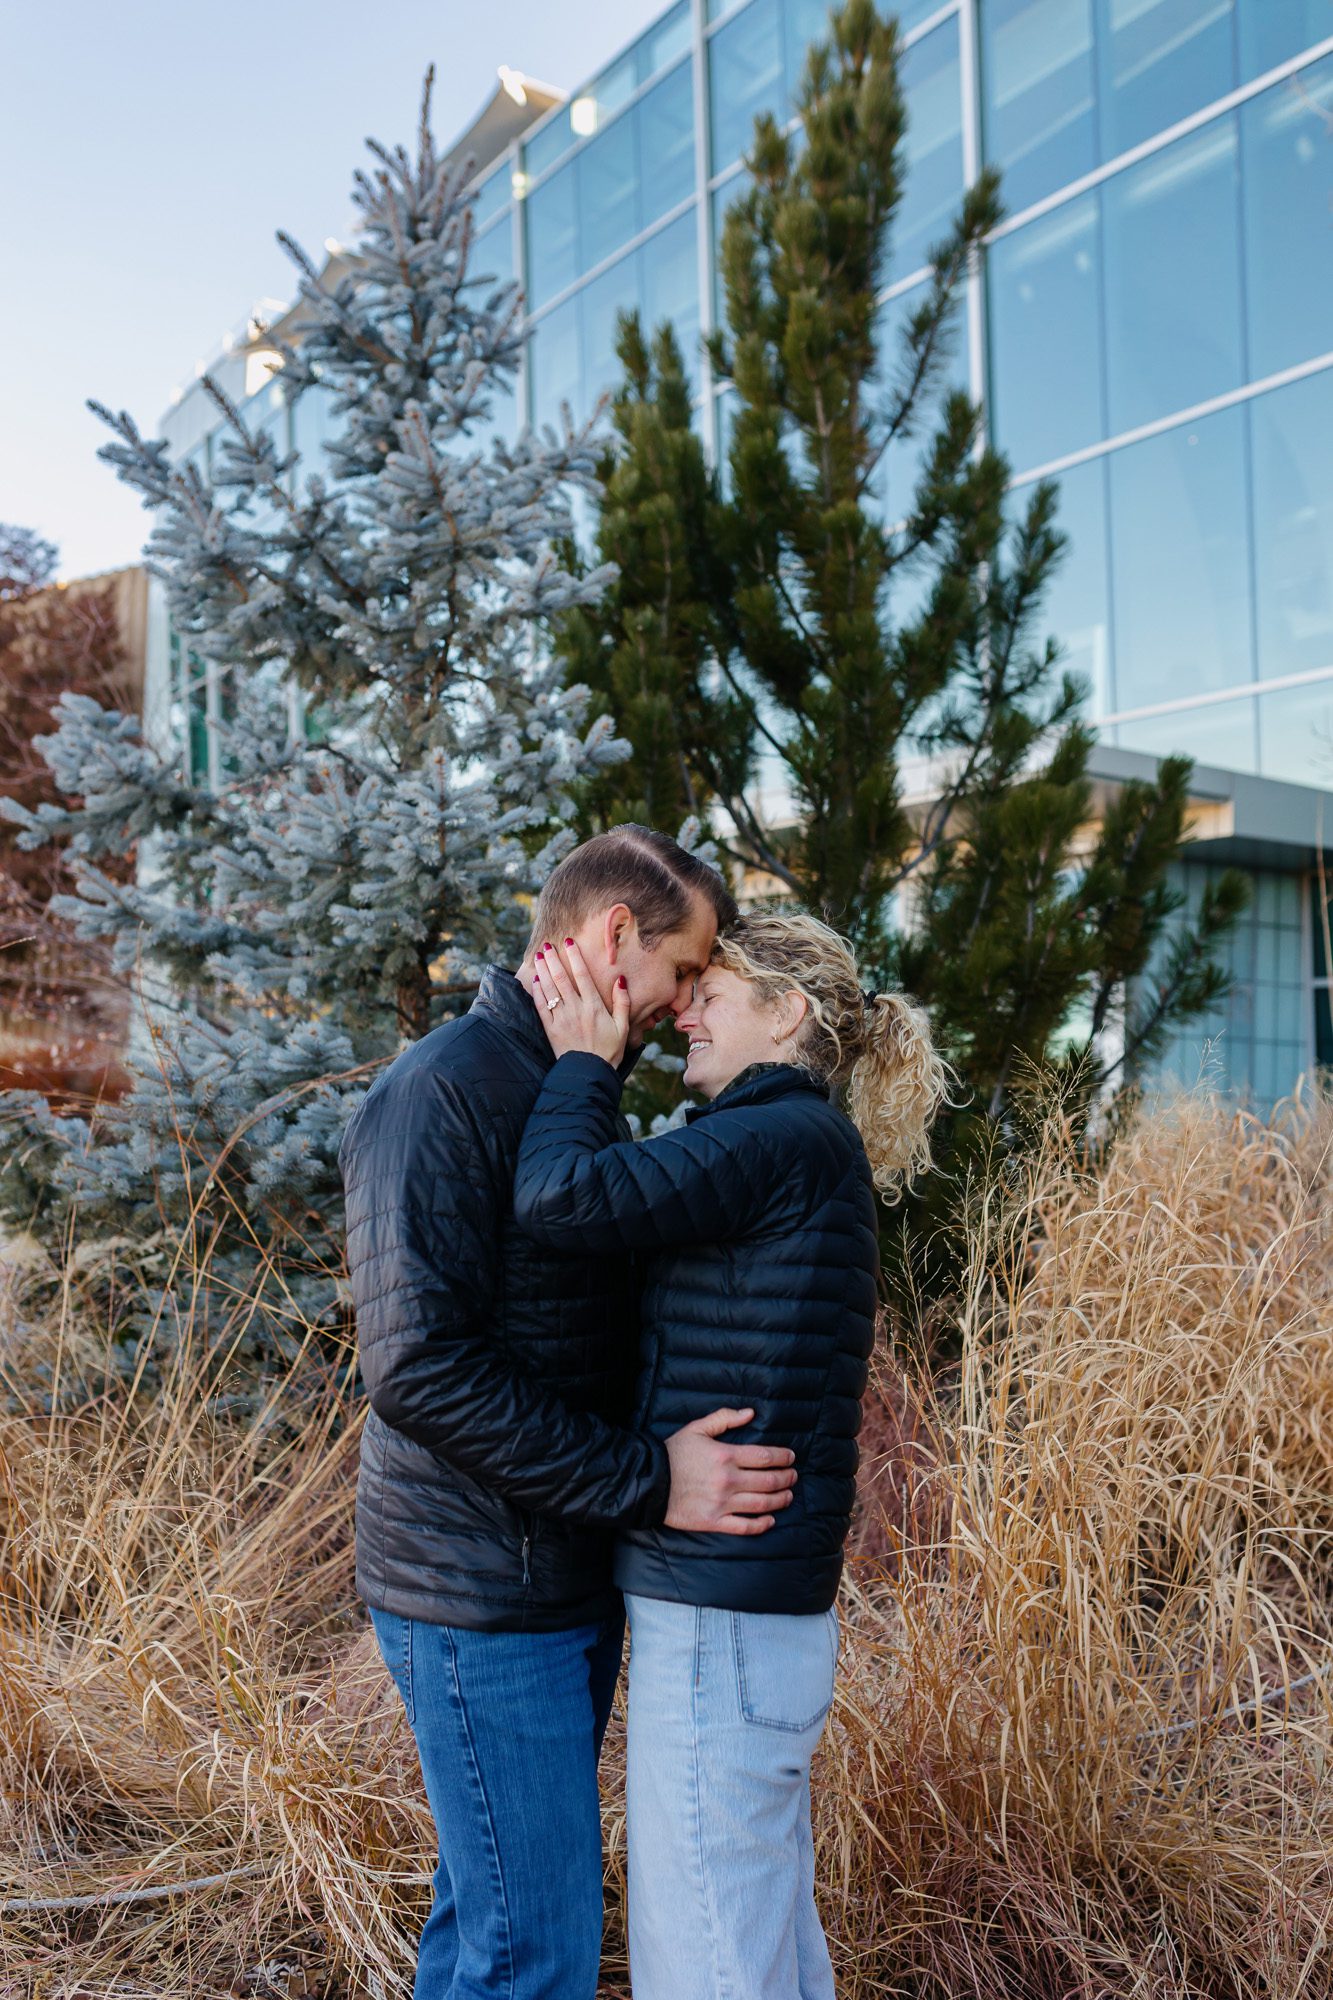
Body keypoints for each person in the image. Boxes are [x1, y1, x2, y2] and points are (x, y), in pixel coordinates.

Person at [340, 826, 803, 2000]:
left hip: (554, 1575)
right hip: (480, 1598)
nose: (687, 1004)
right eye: (685, 970)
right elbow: (418, 1370)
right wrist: (652, 1478)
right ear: (610, 938)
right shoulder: (439, 1089)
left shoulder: (569, 1081)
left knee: (491, 1918)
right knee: (531, 1950)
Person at [513, 910, 950, 2000]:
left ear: (787, 1010)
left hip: (722, 1607)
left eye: (716, 988)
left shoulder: (775, 1136)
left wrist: (579, 1062)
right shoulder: (790, 1143)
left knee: (707, 1951)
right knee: (760, 1942)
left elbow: (563, 1196)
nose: (684, 1008)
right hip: (748, 1606)